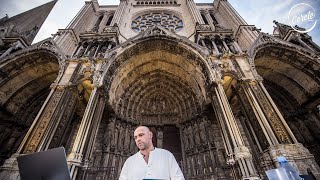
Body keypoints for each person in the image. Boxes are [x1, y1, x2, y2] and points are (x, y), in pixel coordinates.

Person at [119, 126, 185, 180]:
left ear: (150, 135)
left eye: (141, 135)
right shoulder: (129, 161)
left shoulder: (167, 156)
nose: (138, 139)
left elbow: (179, 178)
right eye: (135, 137)